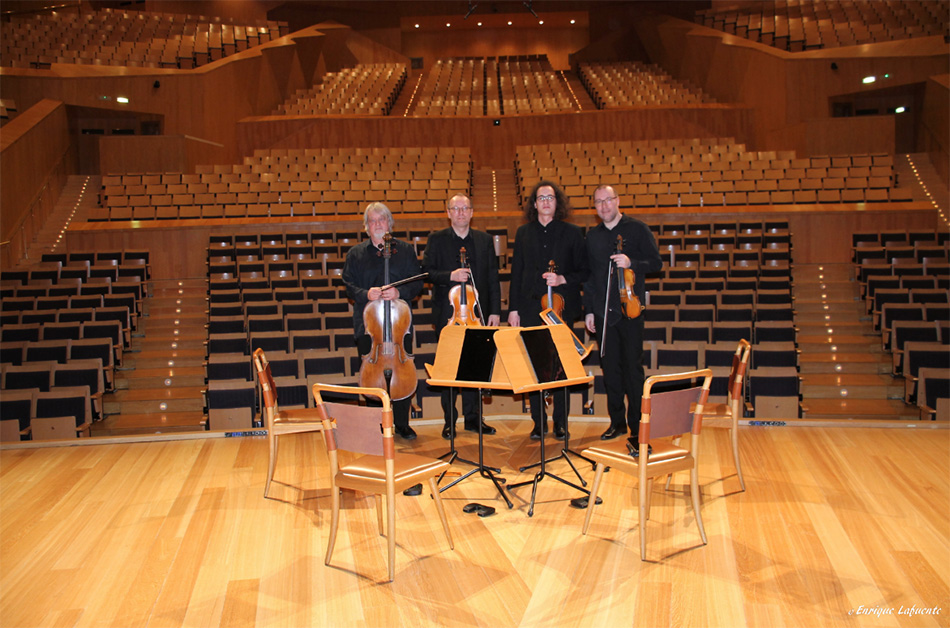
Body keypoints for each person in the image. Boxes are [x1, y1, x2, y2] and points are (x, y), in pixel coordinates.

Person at [507, 180, 589, 440]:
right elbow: (517, 273)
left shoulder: (572, 233)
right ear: (534, 204)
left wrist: (562, 279)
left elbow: (584, 271)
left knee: (562, 365)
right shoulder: (523, 233)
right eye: (541, 198)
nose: (545, 202)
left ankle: (561, 422)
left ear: (557, 202)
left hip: (560, 309)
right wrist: (513, 309)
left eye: (550, 198)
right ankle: (538, 422)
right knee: (534, 365)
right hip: (530, 308)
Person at [583, 184, 663, 442]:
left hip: (630, 311)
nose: (604, 206)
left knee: (632, 370)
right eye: (598, 202)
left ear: (617, 201)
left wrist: (632, 263)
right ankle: (616, 423)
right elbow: (590, 277)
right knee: (610, 371)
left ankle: (638, 426)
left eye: (608, 200)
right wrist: (589, 311)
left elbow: (656, 263)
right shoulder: (592, 237)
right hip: (603, 313)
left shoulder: (637, 229)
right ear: (594, 207)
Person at [422, 193, 501, 439]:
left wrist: (495, 311)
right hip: (448, 315)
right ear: (448, 213)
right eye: (455, 209)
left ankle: (473, 419)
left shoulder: (484, 240)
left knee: (474, 367)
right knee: (449, 369)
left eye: (465, 208)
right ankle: (449, 421)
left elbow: (492, 278)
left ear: (472, 212)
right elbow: (427, 272)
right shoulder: (436, 240)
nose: (460, 213)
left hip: (476, 314)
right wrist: (450, 276)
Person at [342, 202, 423, 440]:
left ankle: (402, 424)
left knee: (402, 373)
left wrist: (400, 292)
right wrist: (365, 294)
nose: (378, 224)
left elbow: (417, 283)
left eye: (382, 219)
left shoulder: (405, 251)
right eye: (373, 221)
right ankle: (375, 426)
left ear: (390, 223)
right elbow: (348, 285)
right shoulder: (356, 254)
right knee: (372, 377)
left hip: (399, 326)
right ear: (366, 227)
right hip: (369, 327)